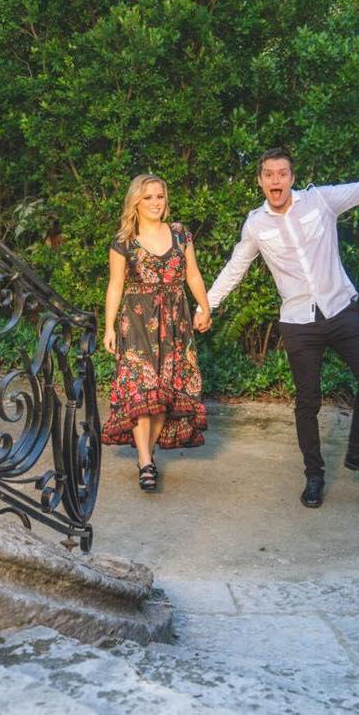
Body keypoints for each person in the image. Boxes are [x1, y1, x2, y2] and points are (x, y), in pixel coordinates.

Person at [201, 142, 359, 508]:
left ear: (292, 177)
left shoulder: (321, 201)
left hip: (340, 310)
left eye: (282, 174)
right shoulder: (255, 224)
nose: (276, 181)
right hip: (299, 322)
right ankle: (314, 475)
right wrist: (206, 306)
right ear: (260, 181)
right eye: (269, 175)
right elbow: (234, 269)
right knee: (307, 401)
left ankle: (357, 451)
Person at [101, 173, 212, 491]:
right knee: (142, 389)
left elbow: (193, 274)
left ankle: (146, 453)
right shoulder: (124, 240)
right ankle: (145, 460)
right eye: (148, 197)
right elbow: (115, 285)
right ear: (135, 202)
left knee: (166, 392)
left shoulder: (180, 234)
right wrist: (108, 327)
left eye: (160, 196)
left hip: (176, 321)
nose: (155, 203)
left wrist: (205, 308)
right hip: (137, 321)